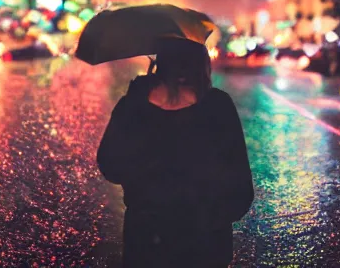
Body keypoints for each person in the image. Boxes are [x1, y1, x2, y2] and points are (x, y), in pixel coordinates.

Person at [97, 37, 254, 267]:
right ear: (200, 64)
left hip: (146, 236)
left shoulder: (132, 106)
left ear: (162, 63)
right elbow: (239, 181)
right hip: (205, 239)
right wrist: (215, 219)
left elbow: (111, 166)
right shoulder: (217, 106)